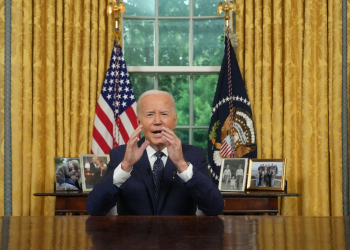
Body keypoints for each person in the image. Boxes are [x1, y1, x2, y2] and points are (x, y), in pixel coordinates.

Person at [86, 90, 224, 215]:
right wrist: (125, 166)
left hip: (179, 240)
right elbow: (94, 209)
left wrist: (182, 164)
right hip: (133, 241)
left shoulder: (194, 155)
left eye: (164, 114)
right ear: (139, 121)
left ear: (174, 121)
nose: (157, 121)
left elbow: (215, 208)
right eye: (150, 114)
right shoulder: (120, 155)